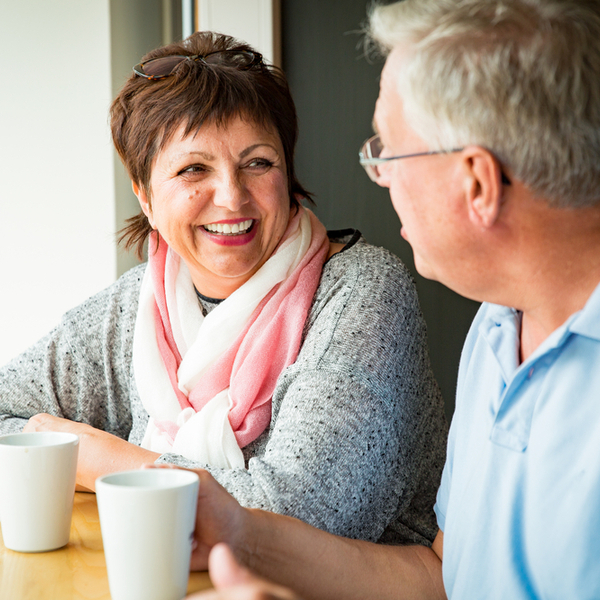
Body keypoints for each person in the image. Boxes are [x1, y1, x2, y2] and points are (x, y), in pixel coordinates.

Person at [178, 0, 600, 598]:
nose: (380, 175)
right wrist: (240, 532)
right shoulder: (498, 322)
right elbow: (441, 578)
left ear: (477, 182)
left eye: (390, 152)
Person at [0, 31, 447, 547]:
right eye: (194, 169)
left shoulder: (363, 293)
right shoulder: (133, 307)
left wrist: (97, 457)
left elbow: (295, 518)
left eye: (257, 162)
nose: (232, 197)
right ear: (145, 196)